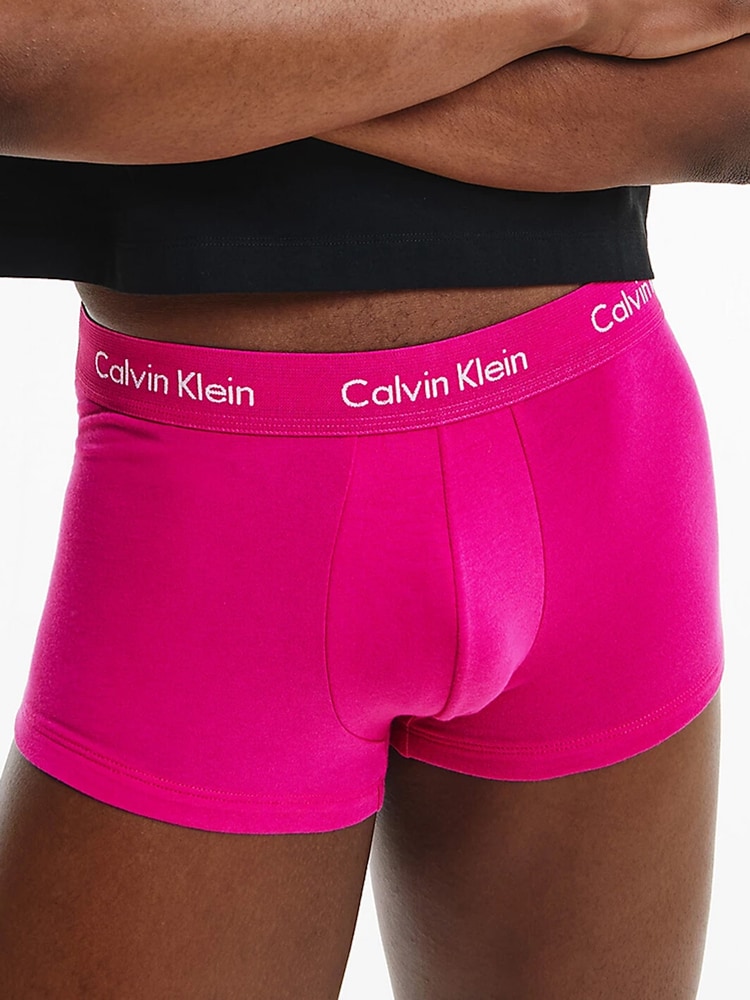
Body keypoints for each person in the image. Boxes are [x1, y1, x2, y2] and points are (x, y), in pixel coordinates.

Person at [0, 1, 747, 996]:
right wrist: (577, 13)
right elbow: (28, 68)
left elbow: (728, 107)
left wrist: (188, 80)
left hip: (599, 449)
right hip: (226, 514)